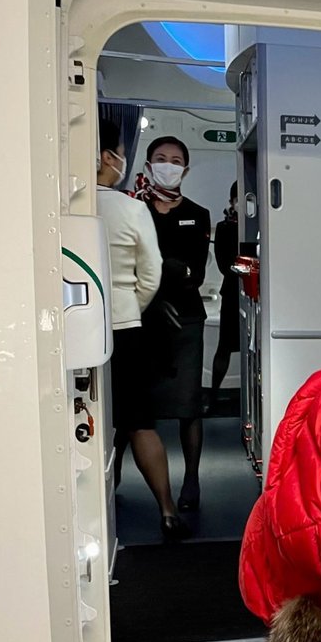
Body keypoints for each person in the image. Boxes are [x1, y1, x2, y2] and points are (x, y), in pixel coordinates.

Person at [95, 117, 188, 541]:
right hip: (124, 327)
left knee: (89, 421)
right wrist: (130, 305)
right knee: (139, 423)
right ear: (107, 157)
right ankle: (167, 510)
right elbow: (150, 274)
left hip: (69, 330)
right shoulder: (130, 207)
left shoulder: (61, 205)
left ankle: (96, 504)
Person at [136, 136, 211, 513]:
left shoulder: (198, 213)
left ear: (185, 168)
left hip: (186, 317)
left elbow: (193, 273)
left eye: (176, 160)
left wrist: (163, 269)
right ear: (148, 165)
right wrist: (167, 272)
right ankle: (118, 474)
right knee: (136, 405)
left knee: (188, 404)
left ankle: (192, 479)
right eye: (160, 159)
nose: (168, 164)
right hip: (141, 316)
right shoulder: (134, 209)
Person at [209, 181, 240, 405]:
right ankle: (213, 395)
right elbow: (223, 265)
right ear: (231, 202)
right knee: (225, 347)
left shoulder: (265, 224)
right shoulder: (224, 227)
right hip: (232, 292)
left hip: (261, 294)